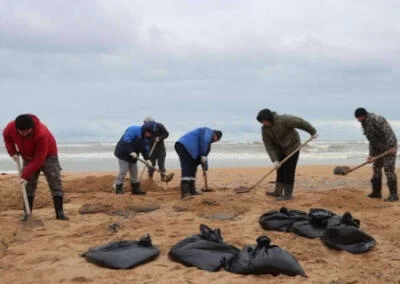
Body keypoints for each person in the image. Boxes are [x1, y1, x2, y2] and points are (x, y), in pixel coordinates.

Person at [3, 114, 69, 221]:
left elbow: (39, 158)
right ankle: (26, 214)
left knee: (55, 182)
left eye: (25, 131)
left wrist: (24, 174)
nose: (23, 134)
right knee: (28, 186)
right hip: (28, 156)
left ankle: (60, 213)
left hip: (48, 156)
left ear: (31, 128)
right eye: (20, 132)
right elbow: (7, 137)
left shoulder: (41, 133)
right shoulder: (11, 127)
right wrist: (12, 152)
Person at [257, 109, 317, 200]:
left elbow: (300, 122)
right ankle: (278, 191)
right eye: (261, 122)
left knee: (289, 170)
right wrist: (275, 160)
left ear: (269, 118)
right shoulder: (265, 129)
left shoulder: (284, 120)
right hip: (279, 149)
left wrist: (312, 132)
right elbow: (269, 146)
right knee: (280, 169)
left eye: (264, 121)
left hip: (293, 146)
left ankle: (288, 195)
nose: (263, 124)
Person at [355, 107, 398, 202]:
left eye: (358, 118)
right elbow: (371, 141)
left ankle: (394, 195)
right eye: (357, 119)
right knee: (376, 168)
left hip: (389, 147)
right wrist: (371, 155)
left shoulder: (377, 119)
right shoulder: (364, 124)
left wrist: (391, 146)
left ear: (363, 115)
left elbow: (388, 132)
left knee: (388, 169)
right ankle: (376, 193)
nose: (358, 120)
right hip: (378, 148)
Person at [175, 128, 222, 199]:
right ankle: (184, 193)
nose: (214, 141)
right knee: (187, 167)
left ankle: (192, 190)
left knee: (193, 167)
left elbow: (205, 155)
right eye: (216, 139)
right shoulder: (208, 132)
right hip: (184, 146)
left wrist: (205, 168)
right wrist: (203, 154)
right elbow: (204, 144)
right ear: (215, 135)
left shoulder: (208, 142)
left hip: (191, 151)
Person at [113, 121, 155, 195]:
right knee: (123, 171)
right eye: (149, 132)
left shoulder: (147, 138)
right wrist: (131, 151)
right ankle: (118, 188)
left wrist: (147, 159)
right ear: (145, 130)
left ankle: (135, 190)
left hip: (134, 155)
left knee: (134, 172)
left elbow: (144, 150)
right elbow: (125, 142)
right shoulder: (133, 130)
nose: (149, 134)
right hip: (123, 153)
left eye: (151, 133)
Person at [143, 117, 170, 181]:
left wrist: (159, 138)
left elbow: (166, 134)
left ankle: (163, 178)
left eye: (146, 122)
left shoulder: (159, 126)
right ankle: (150, 178)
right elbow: (144, 137)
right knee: (151, 165)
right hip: (150, 149)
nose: (145, 124)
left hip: (160, 148)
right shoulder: (144, 128)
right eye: (145, 123)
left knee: (161, 164)